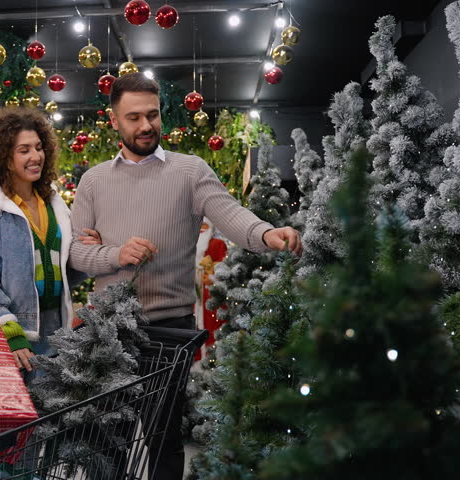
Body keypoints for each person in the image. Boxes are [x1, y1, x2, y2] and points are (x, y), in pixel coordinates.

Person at [68, 73, 302, 479]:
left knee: (163, 439)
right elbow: (76, 252)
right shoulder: (93, 181)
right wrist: (115, 253)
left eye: (153, 115)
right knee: (107, 441)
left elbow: (232, 217)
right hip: (108, 333)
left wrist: (267, 233)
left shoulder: (190, 171)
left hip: (169, 332)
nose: (146, 126)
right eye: (134, 117)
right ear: (114, 121)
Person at [0, 107, 99, 376]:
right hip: (15, 339)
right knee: (25, 416)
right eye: (24, 150)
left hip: (58, 331)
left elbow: (64, 270)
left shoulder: (54, 203)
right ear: (4, 157)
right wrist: (10, 334)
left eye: (38, 147)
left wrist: (88, 255)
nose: (36, 157)